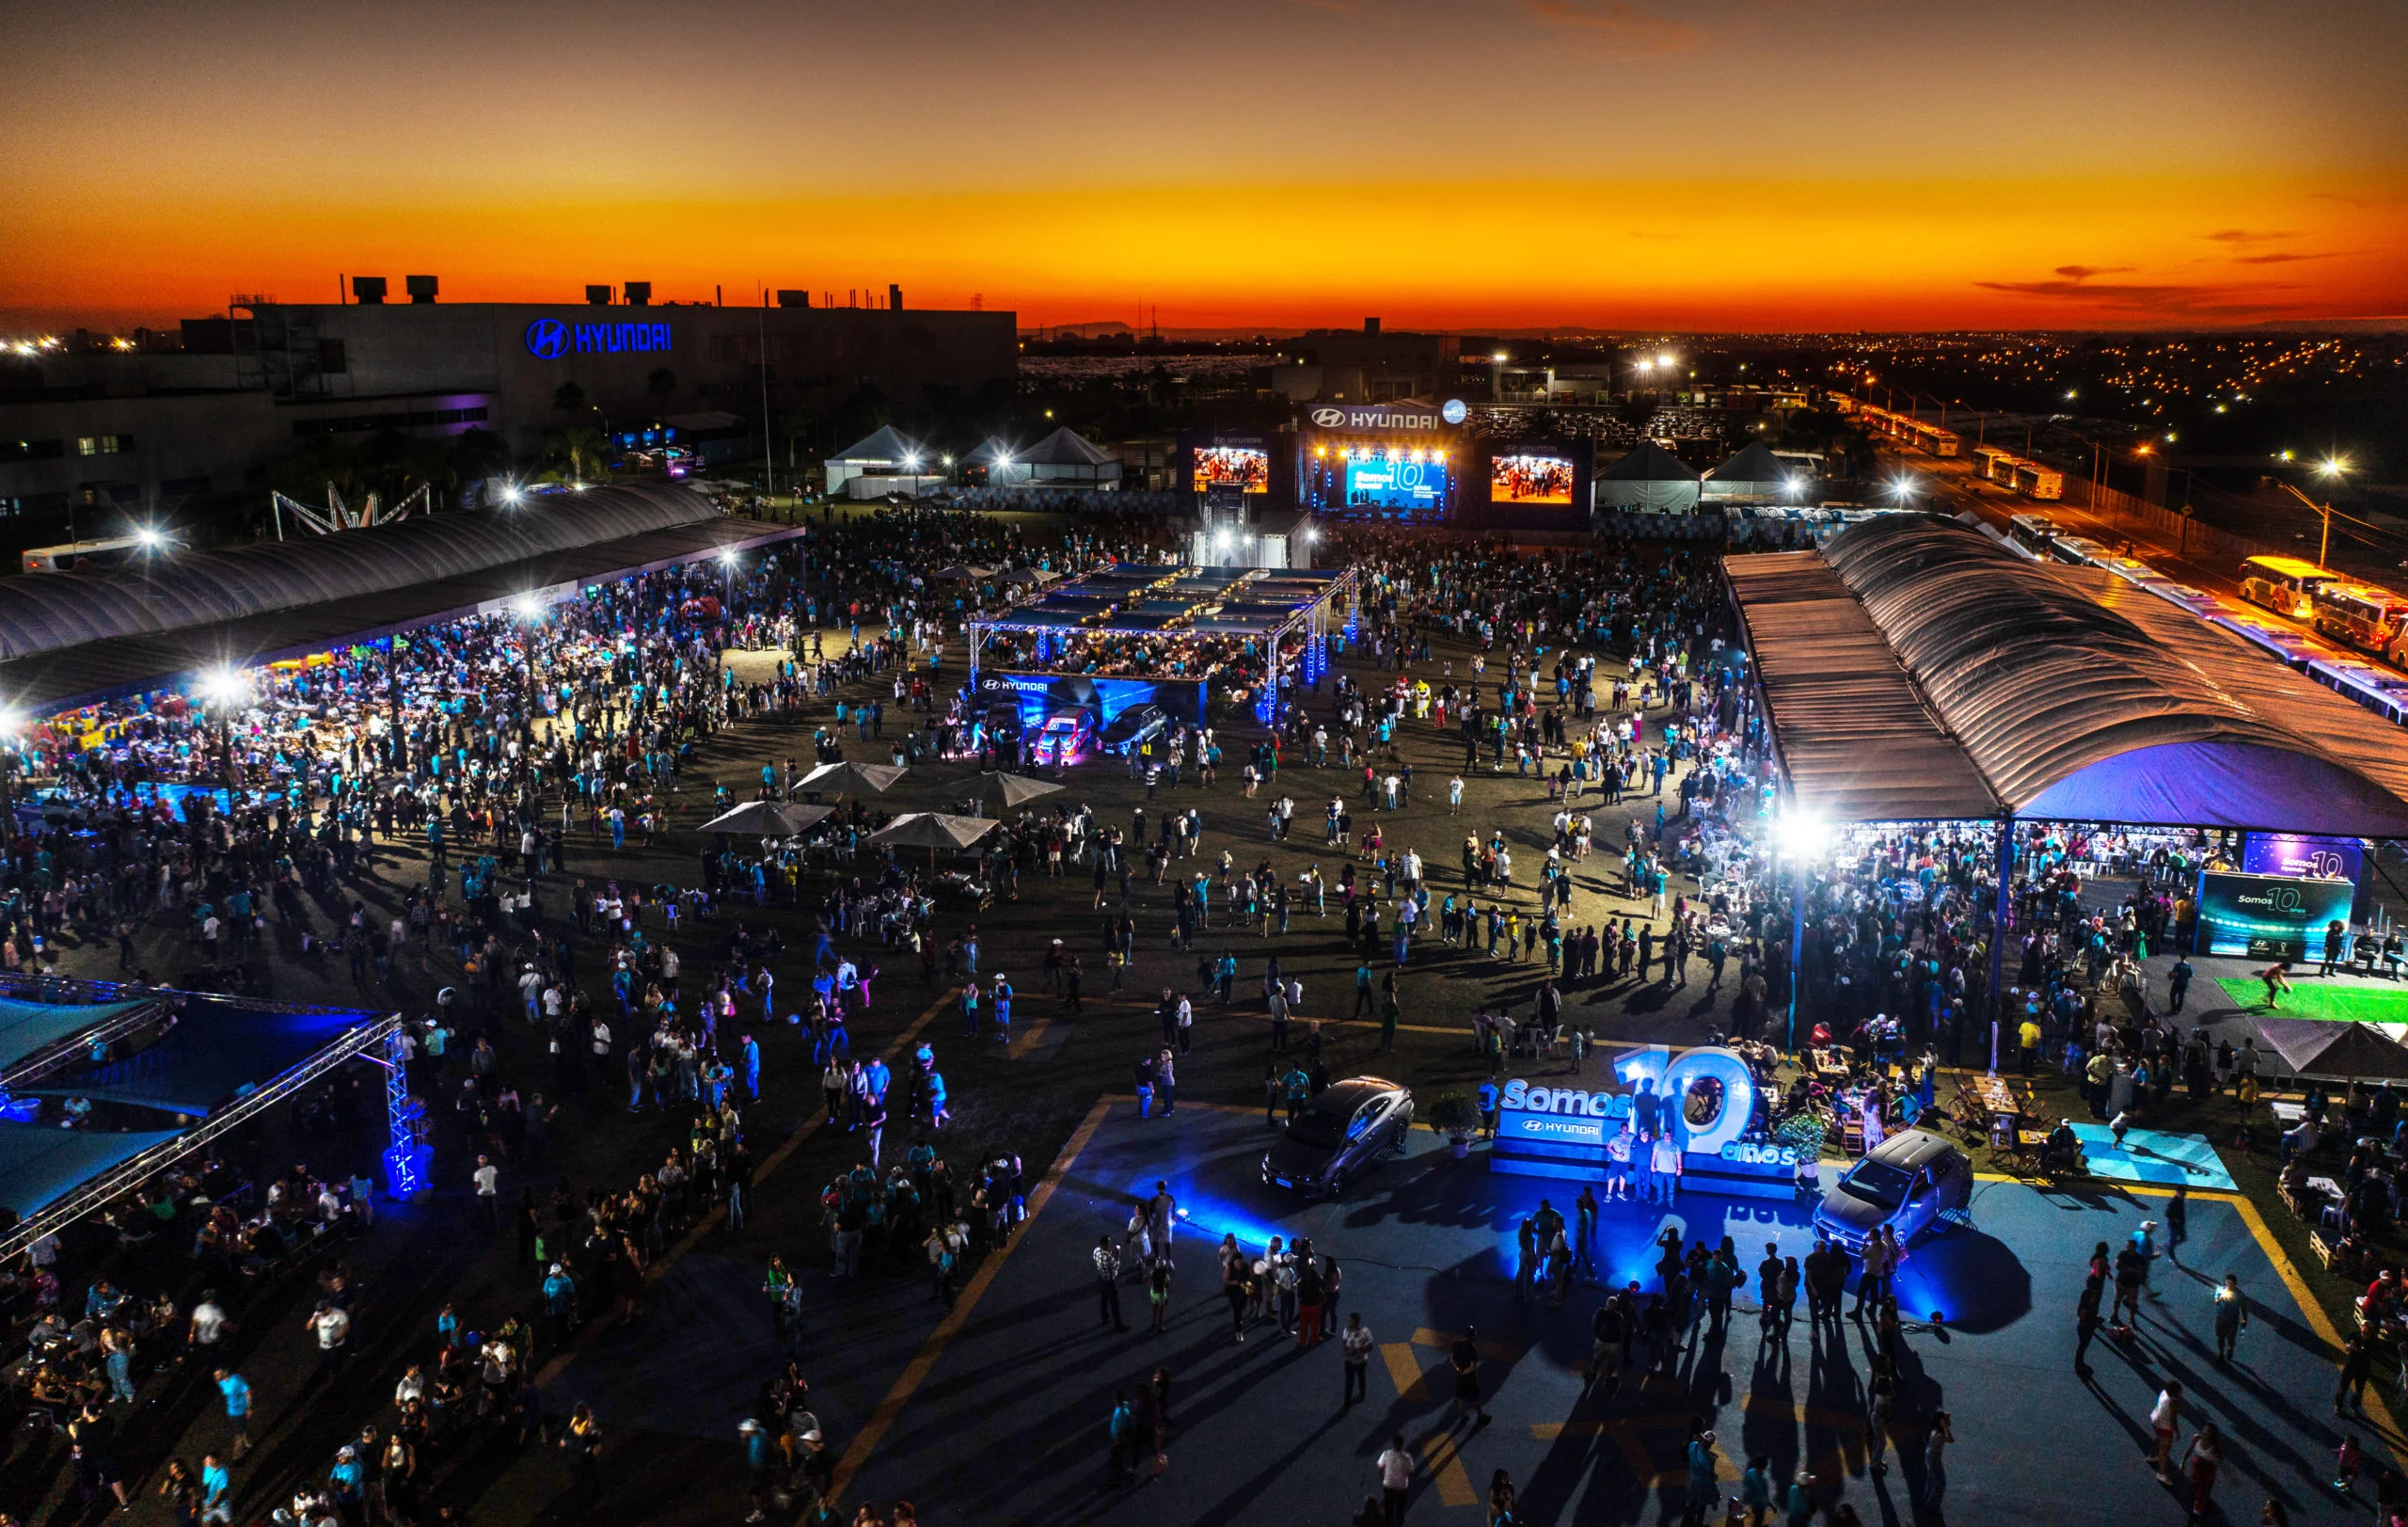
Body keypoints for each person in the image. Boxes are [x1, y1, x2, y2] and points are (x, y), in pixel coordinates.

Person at [1451, 1327, 1488, 1426]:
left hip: (1459, 1375)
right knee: (1476, 1396)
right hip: (1469, 1377)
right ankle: (1480, 1416)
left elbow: (1452, 1358)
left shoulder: (1456, 1344)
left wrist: (1458, 1369)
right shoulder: (1472, 1350)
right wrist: (1464, 1372)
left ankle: (1463, 1415)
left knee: (1460, 1396)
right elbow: (1472, 1367)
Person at [1377, 1433, 1416, 1525]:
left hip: (1389, 1485)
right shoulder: (1407, 1457)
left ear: (1393, 1443)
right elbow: (1410, 1471)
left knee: (1389, 1506)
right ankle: (1399, 1522)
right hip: (1401, 1486)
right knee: (1400, 1507)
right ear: (1402, 1444)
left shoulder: (1386, 1454)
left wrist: (1383, 1477)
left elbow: (1380, 1467)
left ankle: (1388, 1522)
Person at [1093, 1234, 1128, 1332]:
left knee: (1103, 1300)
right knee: (1114, 1303)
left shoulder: (1096, 1250)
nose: (1109, 1244)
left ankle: (1105, 1318)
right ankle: (1118, 1324)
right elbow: (1116, 1266)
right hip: (1110, 1281)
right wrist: (1117, 1256)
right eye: (1108, 1242)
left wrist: (1111, 1254)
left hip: (1101, 1278)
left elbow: (1101, 1259)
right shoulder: (1108, 1256)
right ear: (1105, 1244)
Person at [2212, 1273, 2248, 1362]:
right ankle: (2221, 1354)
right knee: (2220, 1337)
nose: (2229, 1285)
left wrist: (2244, 1319)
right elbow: (2216, 1302)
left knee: (2230, 1339)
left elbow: (2243, 1308)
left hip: (2232, 1321)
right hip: (2221, 1319)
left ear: (2235, 1284)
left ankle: (2230, 1348)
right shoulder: (2221, 1290)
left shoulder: (2240, 1295)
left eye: (2231, 1283)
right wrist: (2221, 1298)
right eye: (2227, 1282)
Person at [1342, 1312, 1373, 1406]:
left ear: (1355, 1322)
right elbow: (1344, 1346)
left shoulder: (1365, 1331)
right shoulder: (1347, 1331)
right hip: (1352, 1360)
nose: (1348, 1322)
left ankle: (1361, 1394)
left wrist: (1357, 1350)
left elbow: (1371, 1347)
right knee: (1350, 1381)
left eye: (1350, 1320)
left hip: (1359, 1361)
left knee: (1359, 1377)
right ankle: (1348, 1402)